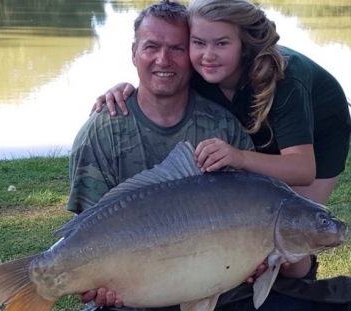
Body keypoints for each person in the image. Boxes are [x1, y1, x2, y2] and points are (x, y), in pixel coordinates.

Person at [92, 0, 350, 288]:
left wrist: (239, 157)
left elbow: (303, 168)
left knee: (292, 238)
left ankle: (298, 297)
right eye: (198, 42)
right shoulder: (204, 68)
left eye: (222, 43)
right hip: (255, 126)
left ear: (245, 45)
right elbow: (161, 77)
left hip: (317, 141)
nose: (208, 55)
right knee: (250, 226)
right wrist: (125, 90)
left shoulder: (287, 78)